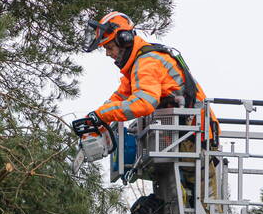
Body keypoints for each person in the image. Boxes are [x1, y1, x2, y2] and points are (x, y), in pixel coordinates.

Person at [81, 11, 218, 141]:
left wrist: (103, 114)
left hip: (197, 137)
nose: (108, 54)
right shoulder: (137, 64)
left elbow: (144, 103)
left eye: (110, 47)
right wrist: (93, 120)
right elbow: (121, 96)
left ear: (124, 40)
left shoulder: (147, 62)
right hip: (183, 134)